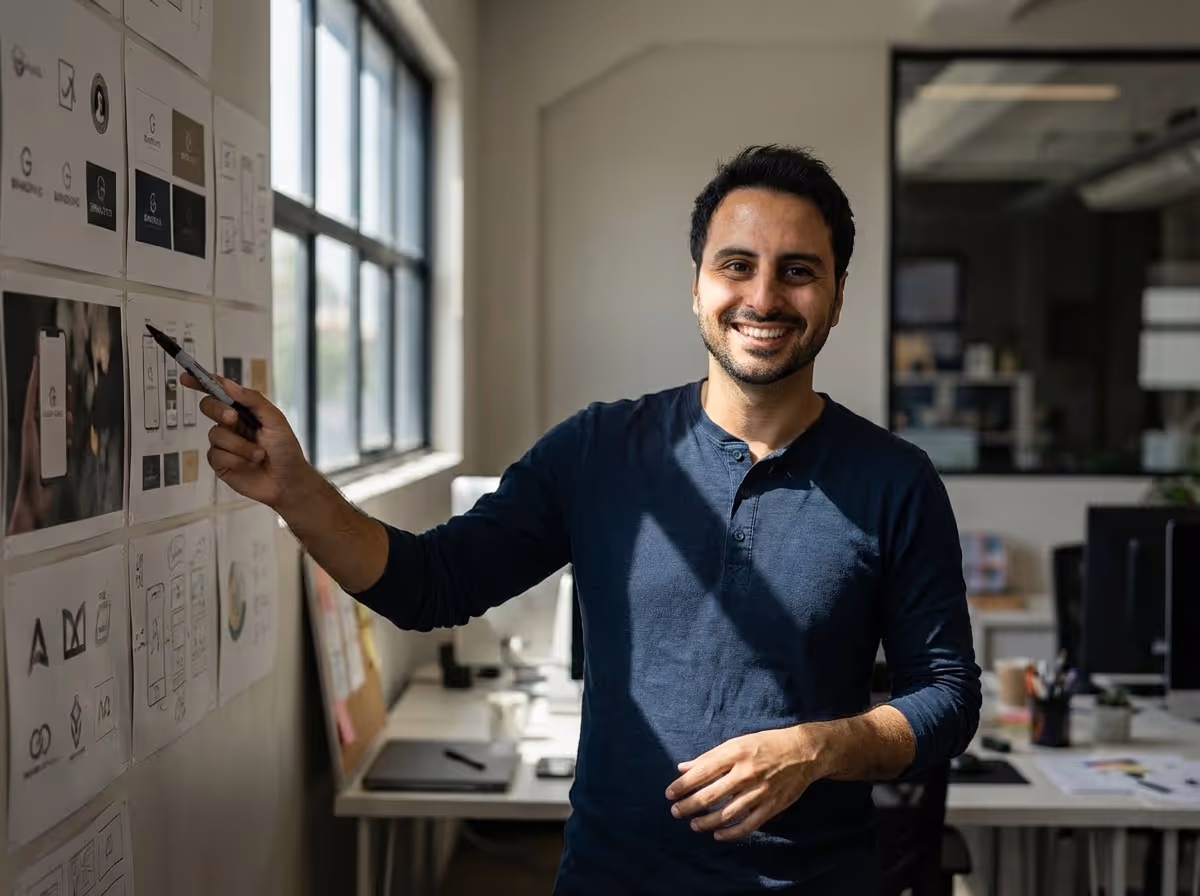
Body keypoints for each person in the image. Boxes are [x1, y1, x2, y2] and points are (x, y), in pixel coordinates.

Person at [187, 144, 980, 894]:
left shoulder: (895, 480)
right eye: (736, 265)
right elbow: (429, 585)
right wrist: (296, 492)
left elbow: (946, 696)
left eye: (798, 272)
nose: (764, 297)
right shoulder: (601, 449)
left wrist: (815, 748)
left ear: (838, 295)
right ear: (698, 285)